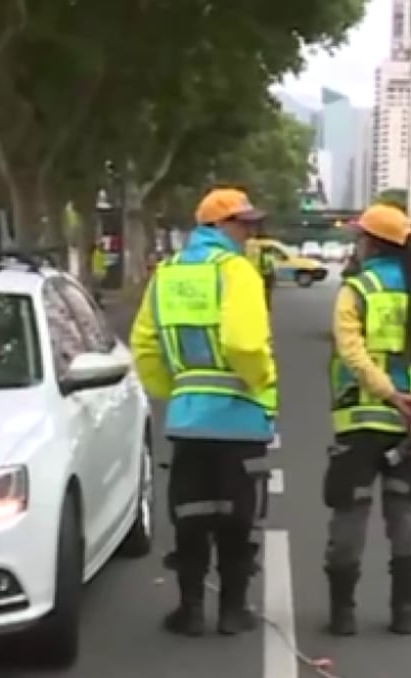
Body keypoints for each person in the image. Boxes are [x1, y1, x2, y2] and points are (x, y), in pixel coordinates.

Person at [130, 187, 277, 637]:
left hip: (188, 418)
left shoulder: (168, 273)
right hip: (240, 415)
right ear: (216, 226)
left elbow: (145, 345)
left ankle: (190, 610)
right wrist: (262, 379)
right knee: (238, 515)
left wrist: (176, 391)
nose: (250, 232)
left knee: (190, 513)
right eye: (242, 223)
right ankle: (233, 611)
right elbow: (244, 343)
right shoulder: (237, 271)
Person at [323, 204, 411, 637]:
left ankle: (343, 614)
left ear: (371, 243)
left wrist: (387, 394)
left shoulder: (355, 290)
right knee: (406, 513)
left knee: (350, 513)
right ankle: (405, 611)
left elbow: (351, 352)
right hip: (408, 428)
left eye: (359, 237)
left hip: (359, 421)